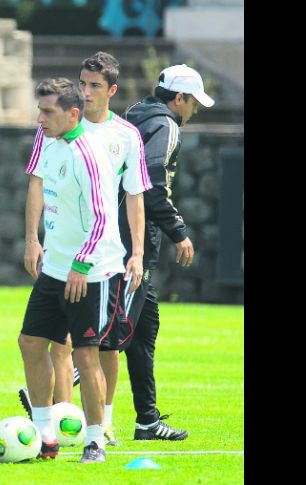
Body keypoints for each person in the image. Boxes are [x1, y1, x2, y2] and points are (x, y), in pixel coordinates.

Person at [18, 52, 151, 447]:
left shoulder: (95, 153)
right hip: (55, 268)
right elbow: (38, 185)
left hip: (92, 271)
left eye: (46, 112)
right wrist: (33, 240)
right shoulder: (48, 139)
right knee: (30, 342)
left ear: (70, 114)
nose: (39, 120)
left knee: (90, 354)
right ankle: (46, 432)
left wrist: (88, 263)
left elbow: (104, 217)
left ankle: (96, 438)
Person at [115, 64, 214, 441]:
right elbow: (152, 186)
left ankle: (147, 421)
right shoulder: (166, 126)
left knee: (143, 330)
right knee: (116, 328)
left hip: (121, 232)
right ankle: (60, 382)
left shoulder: (135, 115)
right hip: (135, 240)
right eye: (193, 103)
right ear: (179, 98)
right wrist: (179, 233)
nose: (194, 111)